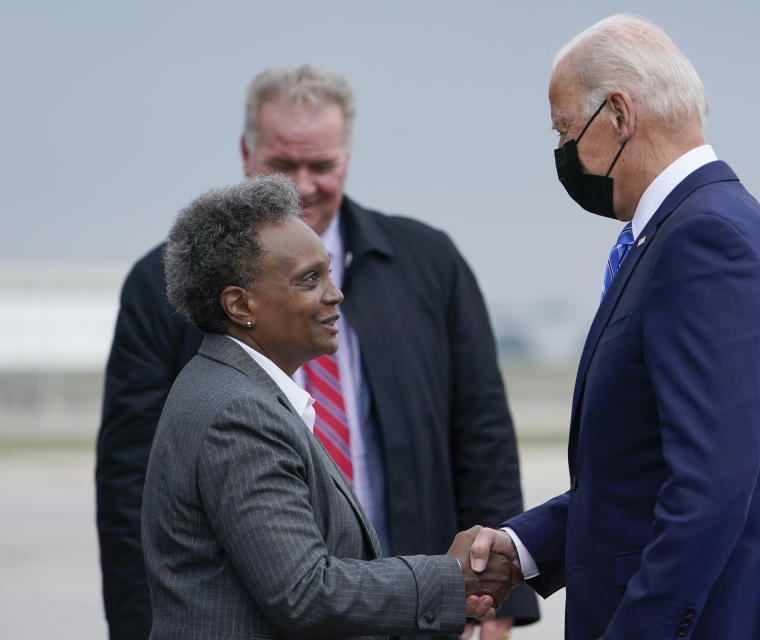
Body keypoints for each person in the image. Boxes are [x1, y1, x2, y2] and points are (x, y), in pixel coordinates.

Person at [95, 66, 537, 639]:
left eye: (321, 165)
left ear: (347, 158)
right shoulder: (177, 312)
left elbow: (482, 430)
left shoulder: (430, 264)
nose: (303, 186)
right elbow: (131, 482)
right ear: (236, 303)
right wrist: (452, 579)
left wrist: (495, 601)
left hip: (410, 613)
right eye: (284, 165)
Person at [469, 14, 760, 640]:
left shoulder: (703, 238)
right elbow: (640, 471)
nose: (561, 155)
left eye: (563, 131)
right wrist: (519, 547)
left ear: (617, 115)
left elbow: (709, 485)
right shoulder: (689, 228)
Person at [142, 174, 520, 639]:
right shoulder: (238, 415)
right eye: (309, 279)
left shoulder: (232, 387)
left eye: (329, 272)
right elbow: (305, 591)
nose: (335, 294)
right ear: (241, 305)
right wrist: (450, 576)